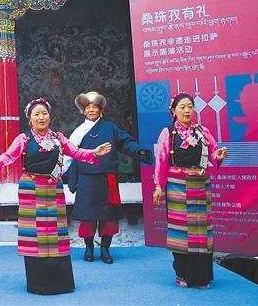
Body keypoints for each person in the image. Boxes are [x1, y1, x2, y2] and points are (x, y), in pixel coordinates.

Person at [0, 97, 111, 295]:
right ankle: (39, 283)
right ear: (29, 119)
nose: (41, 117)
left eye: (44, 114)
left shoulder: (59, 138)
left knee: (55, 232)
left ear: (50, 117)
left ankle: (60, 282)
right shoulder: (24, 139)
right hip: (31, 189)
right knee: (34, 233)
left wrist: (94, 152)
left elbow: (76, 152)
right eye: (36, 114)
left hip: (53, 189)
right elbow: (9, 156)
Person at [152, 92, 228, 289]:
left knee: (202, 232)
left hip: (200, 186)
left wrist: (219, 155)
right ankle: (183, 274)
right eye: (182, 107)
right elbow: (161, 161)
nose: (187, 110)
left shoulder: (202, 131)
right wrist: (158, 186)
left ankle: (202, 277)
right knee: (181, 232)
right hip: (177, 187)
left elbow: (213, 153)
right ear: (173, 111)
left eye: (190, 107)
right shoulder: (168, 133)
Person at [67, 91, 152, 264]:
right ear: (83, 111)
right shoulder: (78, 132)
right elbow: (70, 155)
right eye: (88, 107)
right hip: (86, 180)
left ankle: (105, 249)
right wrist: (69, 178)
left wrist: (138, 151)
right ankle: (89, 248)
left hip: (108, 179)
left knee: (109, 217)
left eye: (95, 107)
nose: (91, 110)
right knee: (88, 218)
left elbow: (126, 143)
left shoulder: (111, 128)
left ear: (101, 110)